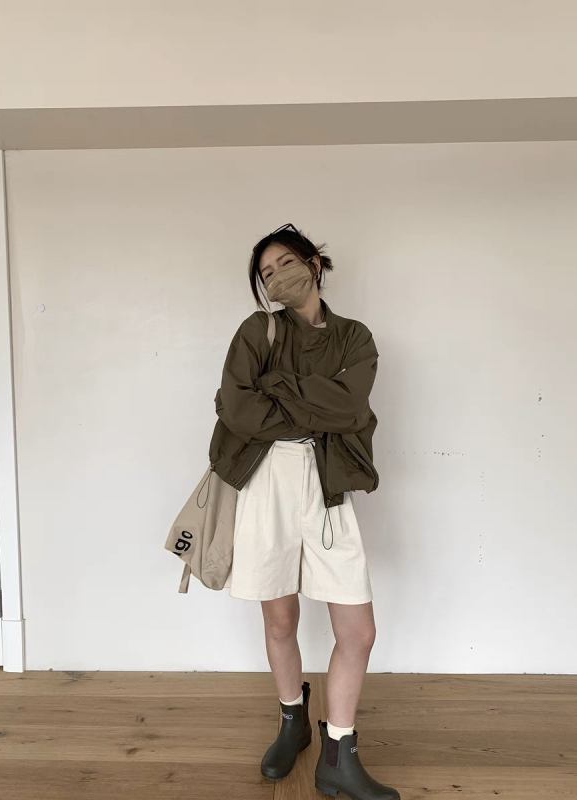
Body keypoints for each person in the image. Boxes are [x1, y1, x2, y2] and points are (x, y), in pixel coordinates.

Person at [208, 223, 400, 800]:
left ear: (314, 262)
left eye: (285, 263)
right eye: (266, 273)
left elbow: (350, 408)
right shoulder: (257, 331)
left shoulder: (355, 338)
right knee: (279, 620)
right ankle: (293, 720)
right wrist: (315, 401)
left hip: (327, 482)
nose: (276, 277)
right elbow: (236, 408)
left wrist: (278, 386)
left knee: (358, 630)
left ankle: (338, 753)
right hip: (265, 483)